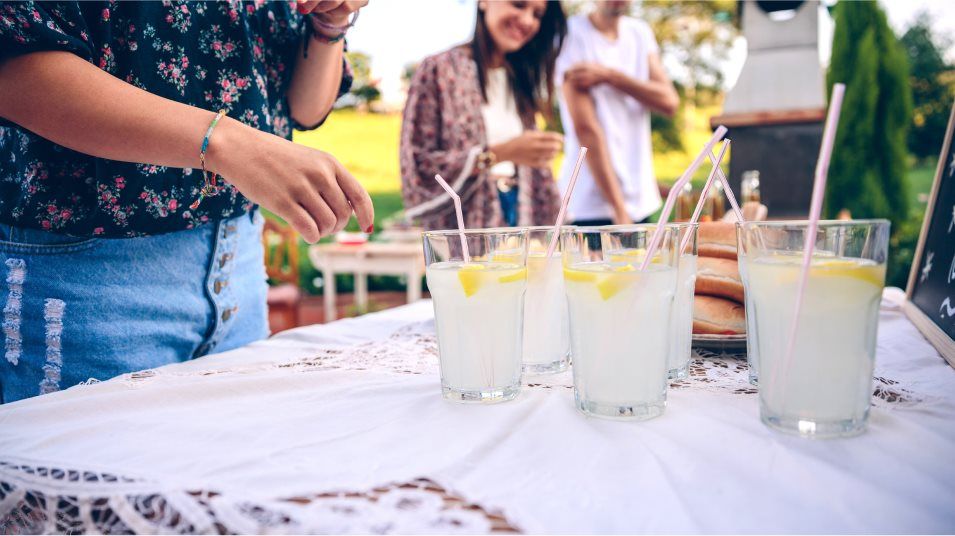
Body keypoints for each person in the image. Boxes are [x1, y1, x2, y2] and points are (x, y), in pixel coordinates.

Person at [0, 0, 374, 403]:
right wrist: (228, 144)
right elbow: (15, 66)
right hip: (89, 282)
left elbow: (302, 107)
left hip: (241, 269)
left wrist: (329, 22)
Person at [401, 0, 566, 230]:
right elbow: (417, 166)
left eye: (537, 14)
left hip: (520, 212)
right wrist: (502, 153)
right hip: (464, 224)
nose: (528, 20)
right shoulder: (439, 69)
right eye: (518, 5)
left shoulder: (520, 78)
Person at [556, 0, 679, 226]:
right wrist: (618, 208)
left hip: (641, 202)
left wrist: (610, 76)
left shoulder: (640, 32)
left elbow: (669, 101)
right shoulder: (570, 35)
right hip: (590, 207)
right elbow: (586, 130)